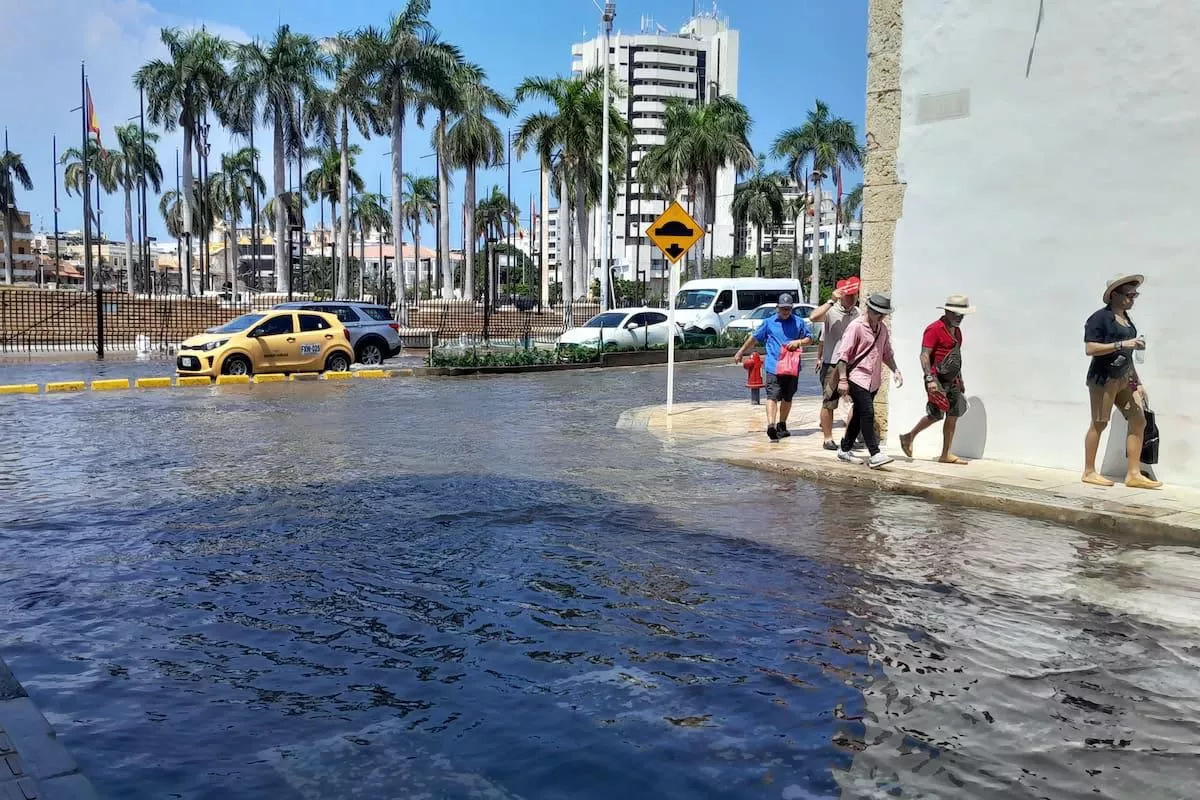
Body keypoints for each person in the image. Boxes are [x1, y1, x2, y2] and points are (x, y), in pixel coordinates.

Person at [1082, 275, 1161, 489]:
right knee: (1099, 422)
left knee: (1138, 420)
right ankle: (1089, 471)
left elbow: (1128, 355)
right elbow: (1090, 348)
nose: (1132, 299)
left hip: (1125, 377)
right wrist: (1122, 343)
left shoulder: (1127, 320)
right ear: (1114, 295)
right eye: (1129, 295)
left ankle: (1133, 473)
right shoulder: (1099, 318)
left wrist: (1138, 383)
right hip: (1103, 378)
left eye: (1135, 295)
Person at [899, 295, 975, 464]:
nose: (959, 317)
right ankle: (909, 436)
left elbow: (956, 356)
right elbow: (924, 354)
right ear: (947, 311)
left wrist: (960, 379)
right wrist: (929, 379)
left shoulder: (957, 331)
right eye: (956, 313)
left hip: (952, 379)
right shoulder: (934, 329)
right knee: (935, 414)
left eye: (962, 314)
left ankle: (946, 454)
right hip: (936, 378)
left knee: (953, 414)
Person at [832, 293, 903, 468]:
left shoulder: (882, 329)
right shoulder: (855, 327)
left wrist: (896, 370)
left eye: (884, 313)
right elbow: (843, 356)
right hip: (857, 377)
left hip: (873, 379)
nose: (882, 316)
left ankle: (844, 449)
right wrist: (842, 380)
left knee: (858, 415)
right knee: (867, 413)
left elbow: (887, 353)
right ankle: (875, 453)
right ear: (869, 310)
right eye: (879, 313)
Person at [734, 293, 814, 441]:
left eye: (788, 309)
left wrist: (799, 342)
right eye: (783, 308)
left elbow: (810, 338)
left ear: (792, 308)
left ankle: (782, 424)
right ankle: (771, 425)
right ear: (777, 307)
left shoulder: (799, 322)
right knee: (772, 395)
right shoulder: (768, 323)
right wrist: (741, 352)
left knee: (787, 397)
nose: (785, 311)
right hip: (773, 366)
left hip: (792, 367)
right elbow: (754, 338)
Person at [810, 276, 861, 450]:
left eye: (855, 295)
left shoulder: (858, 313)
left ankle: (849, 436)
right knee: (829, 401)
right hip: (832, 363)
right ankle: (828, 438)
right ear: (841, 296)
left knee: (858, 401)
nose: (852, 298)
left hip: (852, 364)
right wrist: (831, 300)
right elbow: (813, 317)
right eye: (848, 295)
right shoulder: (831, 311)